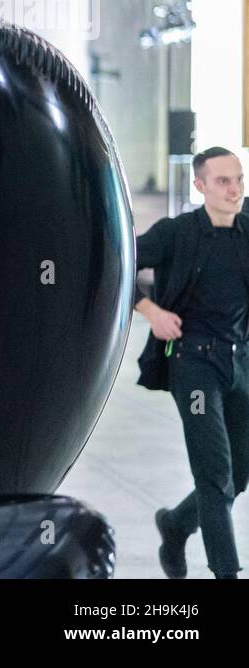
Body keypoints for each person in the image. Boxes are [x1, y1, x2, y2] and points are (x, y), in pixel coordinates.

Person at [137, 146, 249, 578]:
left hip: (238, 362)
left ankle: (176, 525)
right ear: (200, 185)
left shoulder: (247, 232)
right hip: (192, 365)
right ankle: (227, 572)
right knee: (215, 473)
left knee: (239, 474)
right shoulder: (176, 233)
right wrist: (151, 312)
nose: (234, 189)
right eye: (223, 181)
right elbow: (118, 261)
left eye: (238, 179)